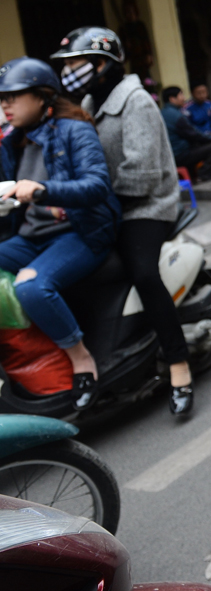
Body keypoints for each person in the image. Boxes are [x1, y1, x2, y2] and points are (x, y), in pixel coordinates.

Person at [54, 27, 195, 416]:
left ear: (103, 64)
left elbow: (144, 174)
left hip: (146, 207)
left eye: (76, 64)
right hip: (105, 206)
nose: (69, 72)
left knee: (143, 274)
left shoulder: (136, 102)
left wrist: (92, 199)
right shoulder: (84, 99)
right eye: (65, 66)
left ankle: (179, 366)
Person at [0, 57, 121, 411]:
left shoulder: (73, 129)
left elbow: (97, 185)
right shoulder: (14, 139)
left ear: (42, 97)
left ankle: (81, 359)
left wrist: (40, 190)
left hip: (82, 232)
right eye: (1, 98)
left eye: (13, 96)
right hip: (33, 234)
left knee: (30, 285)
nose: (5, 104)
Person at [160, 86, 211, 181]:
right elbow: (193, 134)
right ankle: (204, 175)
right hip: (179, 154)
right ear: (172, 99)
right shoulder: (176, 116)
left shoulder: (162, 113)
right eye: (181, 95)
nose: (184, 98)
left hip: (170, 155)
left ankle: (193, 176)